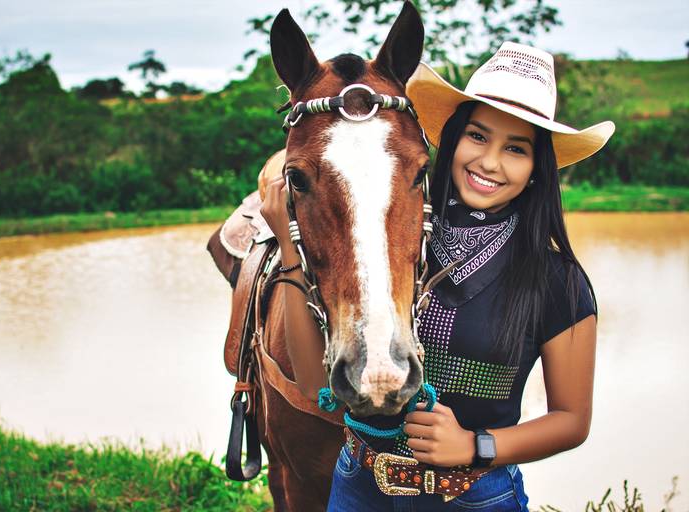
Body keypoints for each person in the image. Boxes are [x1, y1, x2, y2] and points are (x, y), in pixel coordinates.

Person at [261, 41, 615, 511]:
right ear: (450, 139)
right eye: (477, 136)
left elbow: (571, 420)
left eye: (516, 148)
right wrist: (288, 246)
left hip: (474, 496)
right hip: (358, 484)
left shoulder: (557, 281)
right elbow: (312, 383)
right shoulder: (392, 241)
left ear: (536, 169)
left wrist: (475, 446)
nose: (489, 162)